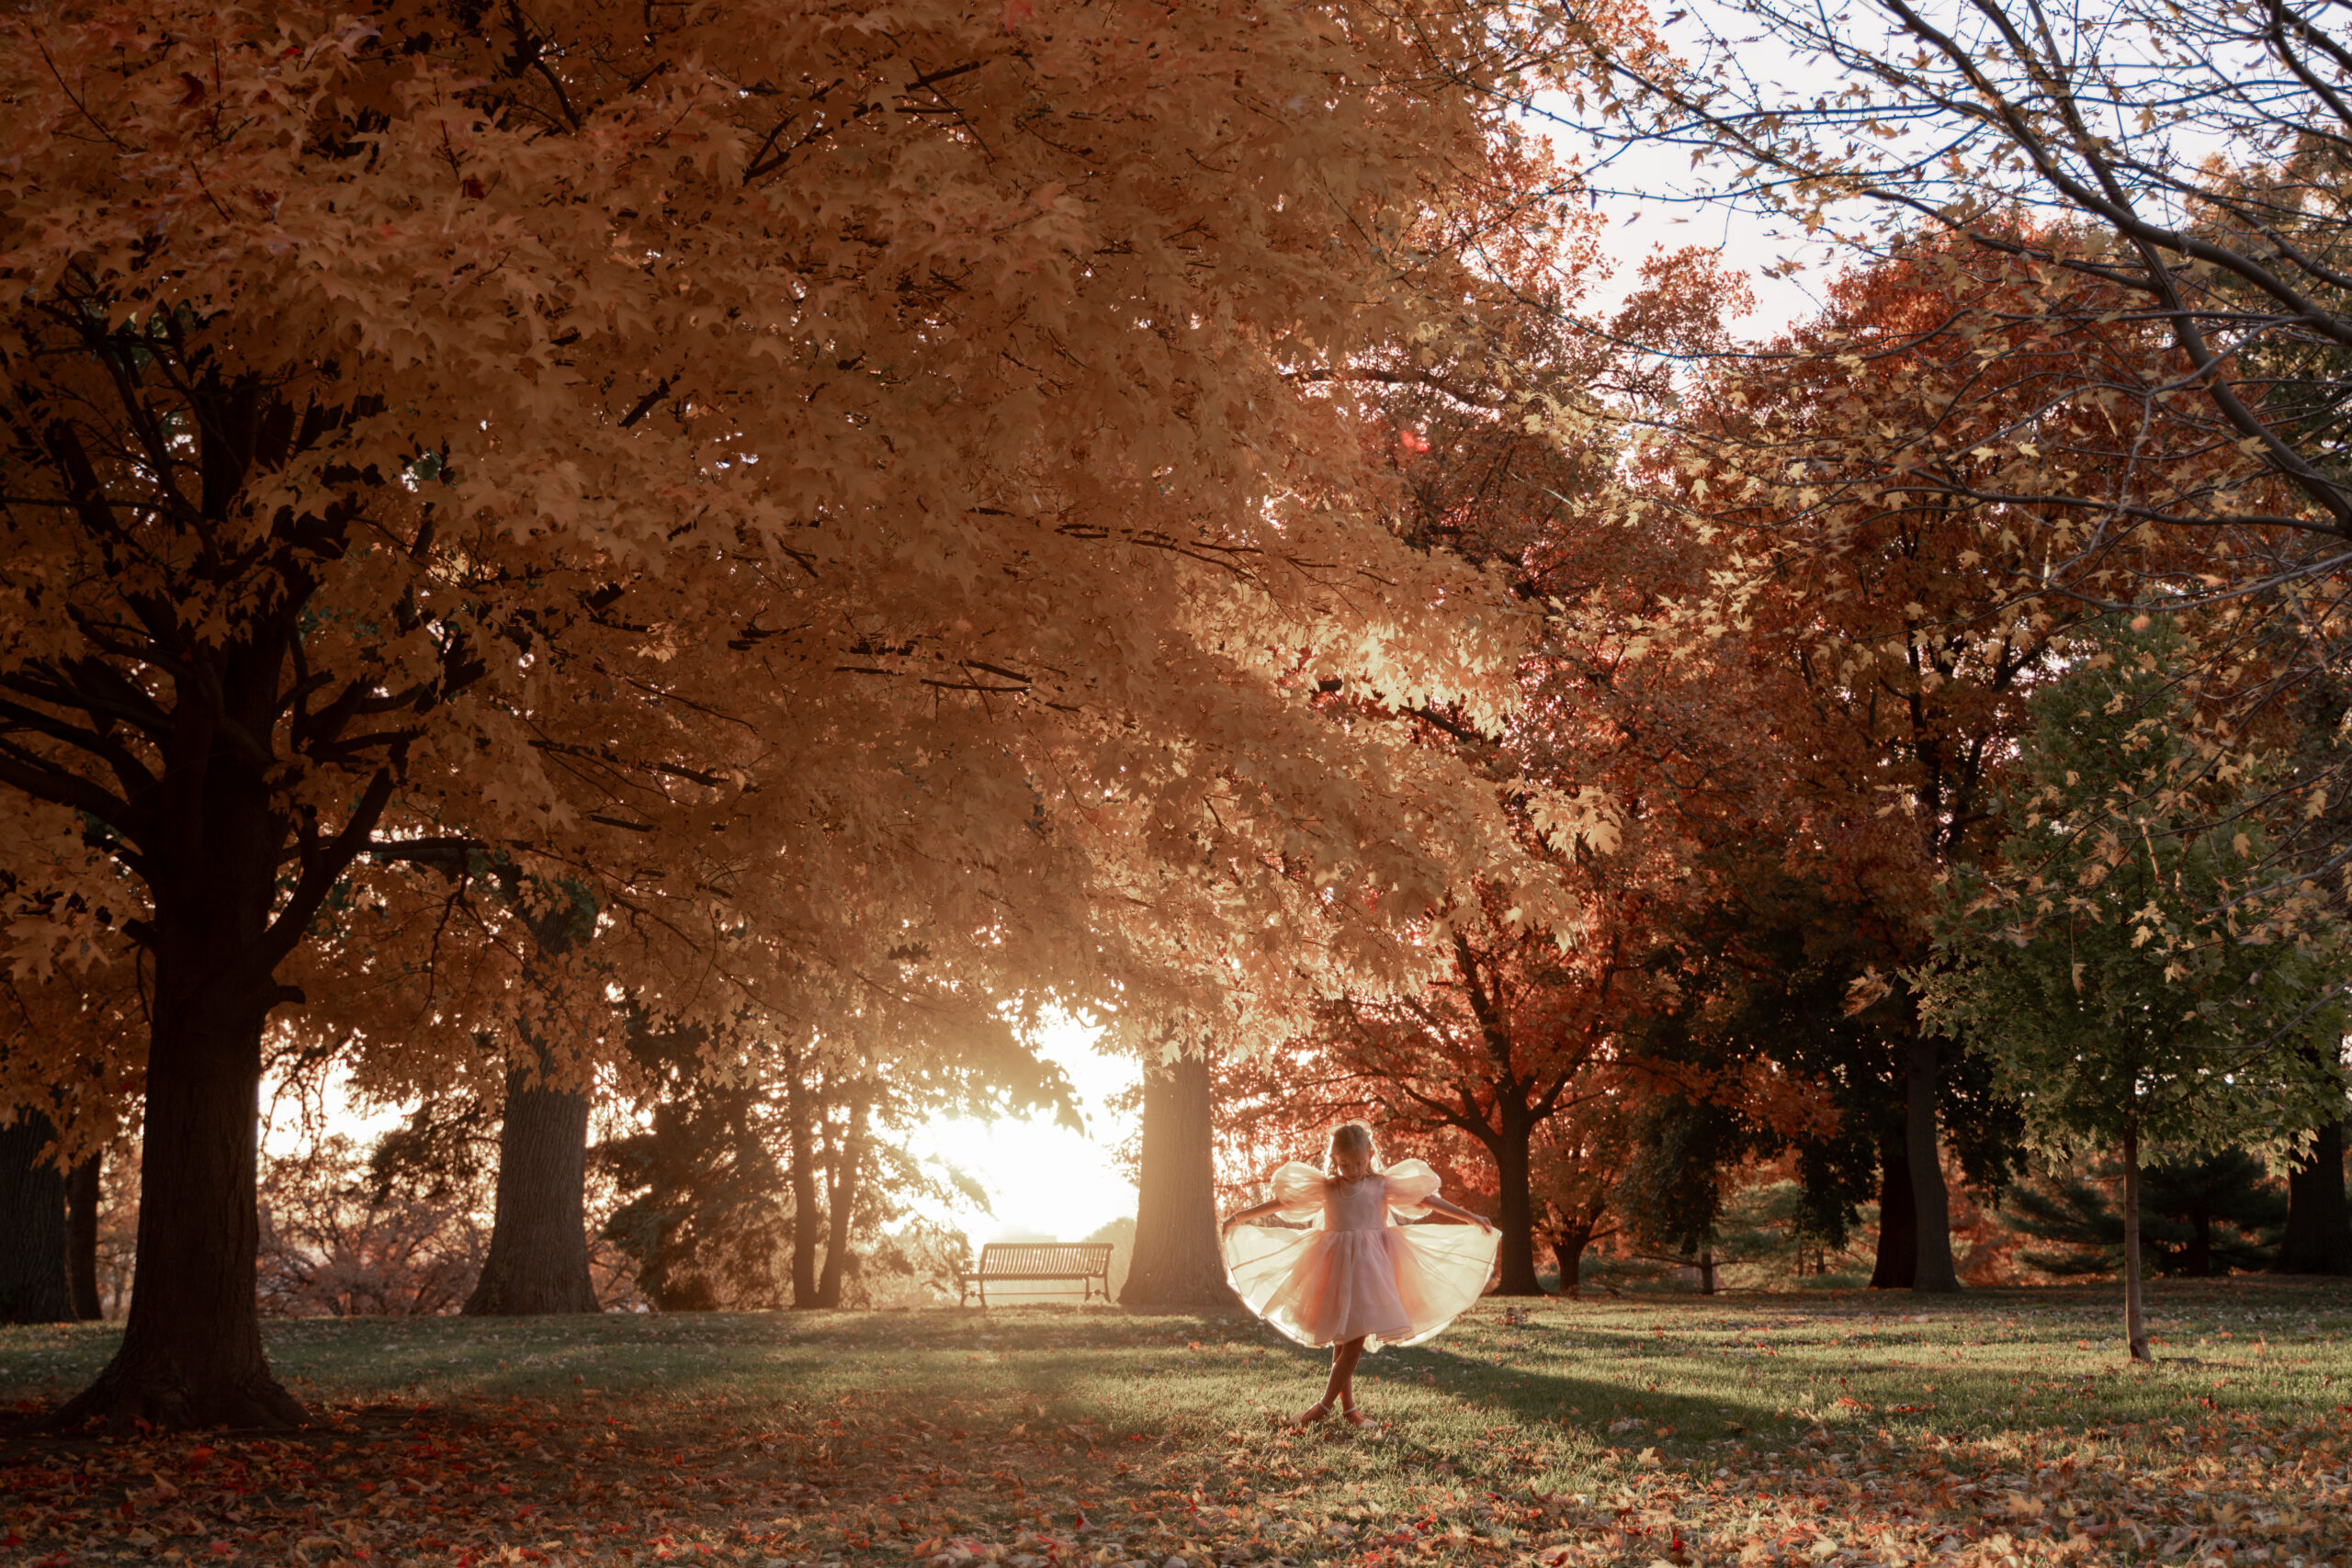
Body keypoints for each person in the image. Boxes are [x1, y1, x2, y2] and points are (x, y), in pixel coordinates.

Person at [1220, 1122, 1498, 1427]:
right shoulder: (1328, 1187)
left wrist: (1470, 1216)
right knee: (1342, 1338)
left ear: (1370, 1155)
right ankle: (1349, 1410)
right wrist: (1238, 1217)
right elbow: (1283, 1203)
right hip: (1335, 1267)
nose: (1352, 1170)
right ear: (1333, 1160)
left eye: (1358, 1163)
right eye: (1344, 1164)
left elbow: (1429, 1200)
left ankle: (1322, 1408)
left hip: (1372, 1271)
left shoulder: (1381, 1184)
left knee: (1354, 1340)